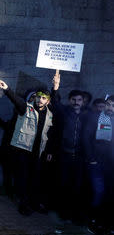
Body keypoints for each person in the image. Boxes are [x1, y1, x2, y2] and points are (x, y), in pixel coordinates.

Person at [0, 79, 54, 216]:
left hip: (38, 151)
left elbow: (50, 133)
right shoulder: (26, 108)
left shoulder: (50, 114)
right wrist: (7, 89)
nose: (40, 100)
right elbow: (16, 100)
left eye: (43, 98)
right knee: (22, 177)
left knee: (35, 178)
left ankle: (34, 202)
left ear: (47, 101)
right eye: (38, 97)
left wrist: (55, 87)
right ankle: (24, 203)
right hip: (22, 149)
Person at [50, 72, 86, 223]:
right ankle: (62, 212)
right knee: (63, 183)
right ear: (69, 100)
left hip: (79, 156)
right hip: (64, 154)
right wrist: (55, 87)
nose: (76, 102)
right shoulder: (64, 112)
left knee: (77, 186)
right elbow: (55, 103)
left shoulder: (88, 115)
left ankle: (74, 213)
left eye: (79, 100)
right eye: (74, 100)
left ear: (83, 101)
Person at [83, 95, 114, 235]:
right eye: (108, 104)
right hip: (97, 162)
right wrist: (91, 158)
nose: (110, 108)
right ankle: (93, 220)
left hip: (111, 165)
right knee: (98, 192)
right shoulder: (95, 117)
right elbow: (86, 137)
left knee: (109, 194)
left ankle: (105, 223)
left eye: (113, 105)